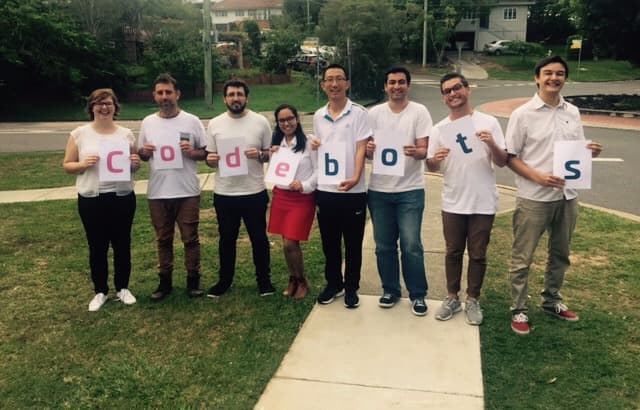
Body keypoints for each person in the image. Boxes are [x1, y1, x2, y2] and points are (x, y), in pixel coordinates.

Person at [505, 56, 603, 335]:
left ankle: (552, 300)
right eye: (548, 73)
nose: (554, 78)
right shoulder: (522, 114)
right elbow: (509, 157)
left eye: (560, 74)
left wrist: (590, 151)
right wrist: (538, 177)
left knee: (560, 253)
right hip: (534, 196)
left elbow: (575, 150)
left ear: (565, 79)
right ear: (537, 78)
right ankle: (519, 309)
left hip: (567, 195)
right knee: (523, 257)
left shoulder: (572, 111)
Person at [426, 73, 508, 325]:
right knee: (452, 251)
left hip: (482, 199)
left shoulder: (489, 122)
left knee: (478, 253)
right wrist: (436, 157)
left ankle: (473, 299)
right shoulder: (439, 129)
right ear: (443, 97)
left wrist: (492, 143)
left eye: (457, 88)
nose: (453, 94)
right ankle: (452, 296)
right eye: (447, 91)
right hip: (453, 199)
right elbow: (431, 166)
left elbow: (502, 161)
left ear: (467, 89)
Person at [63, 88, 140, 311]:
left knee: (122, 243)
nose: (104, 107)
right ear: (92, 107)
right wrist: (83, 164)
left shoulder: (125, 134)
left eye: (108, 103)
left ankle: (123, 288)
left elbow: (133, 164)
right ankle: (100, 291)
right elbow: (67, 165)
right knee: (97, 246)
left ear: (115, 107)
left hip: (121, 196)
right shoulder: (79, 134)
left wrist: (135, 164)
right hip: (91, 197)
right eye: (99, 103)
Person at [366, 67, 431, 316]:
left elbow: (424, 149)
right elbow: (367, 149)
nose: (396, 86)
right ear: (385, 86)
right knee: (383, 245)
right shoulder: (374, 114)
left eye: (401, 82)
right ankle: (390, 289)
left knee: (411, 244)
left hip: (410, 189)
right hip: (380, 189)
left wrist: (417, 152)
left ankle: (418, 294)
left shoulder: (419, 112)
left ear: (408, 85)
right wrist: (370, 149)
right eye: (392, 82)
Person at [138, 74, 208, 300]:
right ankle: (164, 282)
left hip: (186, 190)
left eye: (168, 92)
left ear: (177, 94)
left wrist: (192, 152)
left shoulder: (192, 121)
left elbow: (206, 153)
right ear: (154, 96)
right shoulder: (148, 122)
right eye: (160, 92)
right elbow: (142, 153)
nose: (164, 97)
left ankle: (193, 281)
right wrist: (144, 153)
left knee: (190, 238)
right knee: (163, 239)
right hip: (158, 191)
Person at [205, 79, 274, 297]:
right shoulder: (215, 124)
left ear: (247, 97)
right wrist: (211, 159)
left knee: (259, 239)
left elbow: (270, 153)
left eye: (240, 94)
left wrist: (261, 155)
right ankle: (224, 281)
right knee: (226, 239)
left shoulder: (260, 122)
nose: (236, 98)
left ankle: (264, 281)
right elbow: (209, 157)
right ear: (225, 98)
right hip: (225, 193)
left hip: (254, 191)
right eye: (232, 94)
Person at [312, 64, 371, 308]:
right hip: (326, 190)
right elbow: (319, 148)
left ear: (347, 83)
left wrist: (356, 177)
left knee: (353, 243)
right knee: (330, 242)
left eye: (339, 79)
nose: (334, 84)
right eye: (329, 80)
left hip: (353, 191)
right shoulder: (317, 115)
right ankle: (334, 283)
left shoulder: (358, 113)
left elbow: (361, 147)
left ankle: (351, 287)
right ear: (323, 85)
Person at [268, 104, 317, 300]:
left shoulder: (310, 142)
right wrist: (272, 155)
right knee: (285, 243)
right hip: (282, 196)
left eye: (290, 119)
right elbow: (275, 171)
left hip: (302, 197)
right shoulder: (278, 145)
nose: (286, 123)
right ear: (278, 123)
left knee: (291, 242)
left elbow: (318, 171)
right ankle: (293, 279)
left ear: (297, 119)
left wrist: (304, 185)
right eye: (282, 120)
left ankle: (302, 280)